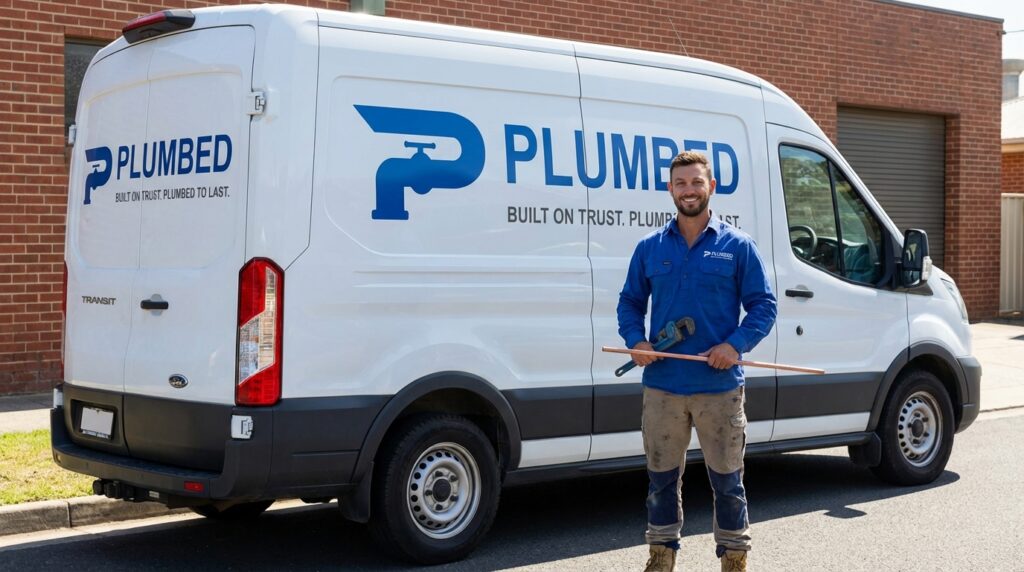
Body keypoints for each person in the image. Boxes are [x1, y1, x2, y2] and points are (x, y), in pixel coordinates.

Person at [617, 151, 776, 572]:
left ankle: (734, 558)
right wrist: (636, 340)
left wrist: (734, 345)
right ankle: (661, 556)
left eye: (696, 182)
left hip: (719, 390)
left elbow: (763, 306)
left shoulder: (737, 247)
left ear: (712, 187)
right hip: (664, 387)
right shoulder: (650, 248)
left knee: (728, 483)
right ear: (670, 189)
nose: (689, 190)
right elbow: (630, 303)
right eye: (681, 183)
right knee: (660, 482)